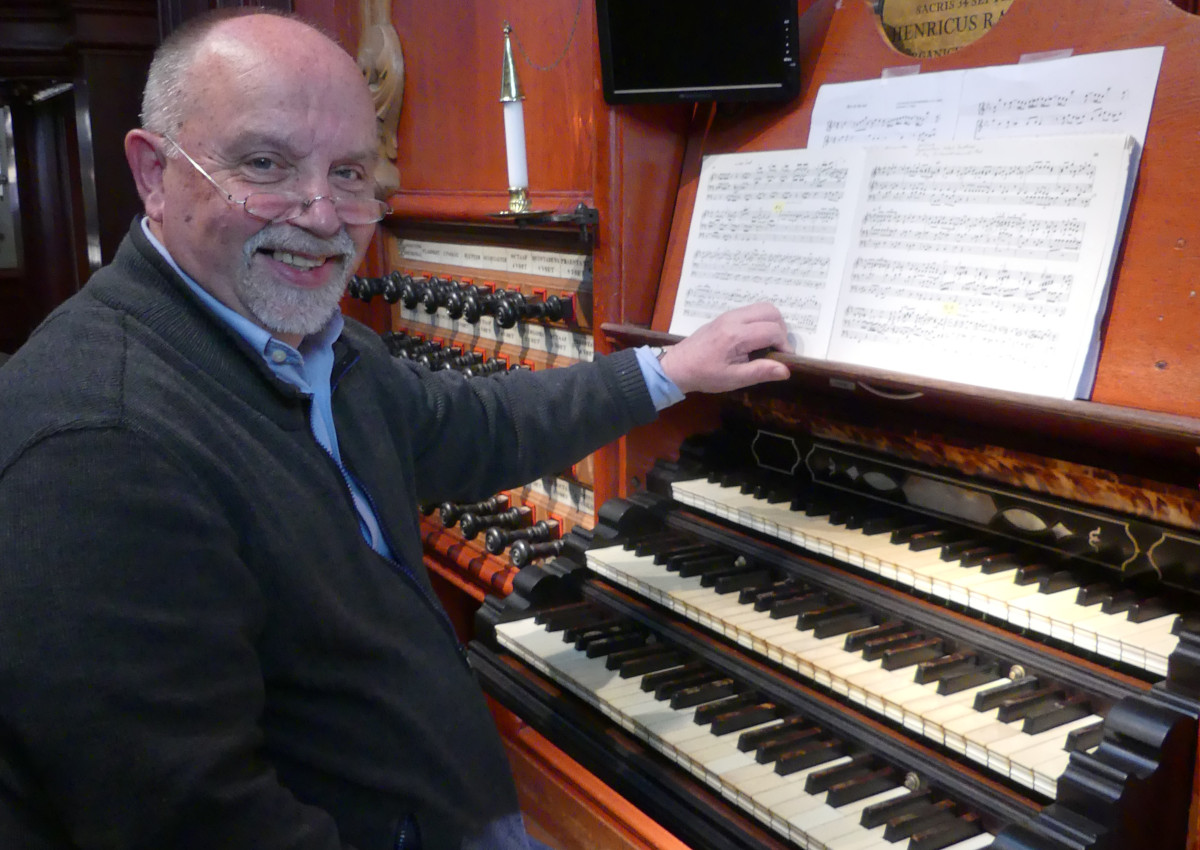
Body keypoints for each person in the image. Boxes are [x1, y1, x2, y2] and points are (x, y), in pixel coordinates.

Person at [0, 9, 791, 850]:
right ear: (153, 172)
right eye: (265, 164)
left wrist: (669, 371)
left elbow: (477, 426)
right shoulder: (96, 445)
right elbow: (194, 822)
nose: (320, 215)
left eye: (348, 174)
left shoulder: (319, 349)